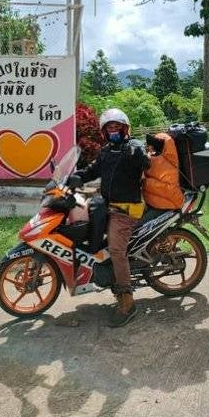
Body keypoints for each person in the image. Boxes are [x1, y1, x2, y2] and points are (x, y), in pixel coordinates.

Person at [67, 108, 149, 327]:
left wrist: (137, 151)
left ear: (125, 129)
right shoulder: (106, 151)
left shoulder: (133, 147)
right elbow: (93, 170)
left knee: (115, 250)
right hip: (108, 207)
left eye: (117, 127)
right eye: (109, 128)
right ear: (104, 132)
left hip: (126, 211)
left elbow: (144, 160)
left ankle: (127, 302)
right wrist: (75, 177)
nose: (113, 131)